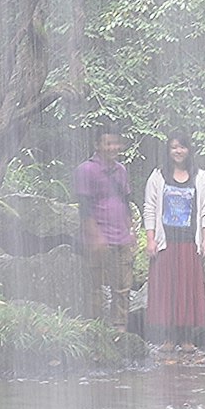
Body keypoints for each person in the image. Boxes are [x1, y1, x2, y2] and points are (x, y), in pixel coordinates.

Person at [141, 133, 205, 349]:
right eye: (174, 147)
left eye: (182, 147)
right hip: (166, 243)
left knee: (187, 289)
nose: (178, 151)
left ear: (189, 150)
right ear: (168, 150)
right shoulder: (158, 176)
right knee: (167, 290)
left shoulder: (200, 177)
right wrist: (150, 239)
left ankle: (186, 338)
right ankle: (169, 337)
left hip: (189, 243)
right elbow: (149, 207)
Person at [71, 126, 137, 322]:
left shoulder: (121, 170)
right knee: (95, 286)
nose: (113, 147)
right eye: (108, 143)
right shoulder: (86, 170)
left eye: (116, 143)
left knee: (123, 288)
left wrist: (131, 230)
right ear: (97, 145)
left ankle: (120, 330)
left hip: (121, 237)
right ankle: (96, 330)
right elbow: (84, 206)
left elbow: (125, 201)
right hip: (98, 237)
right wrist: (95, 235)